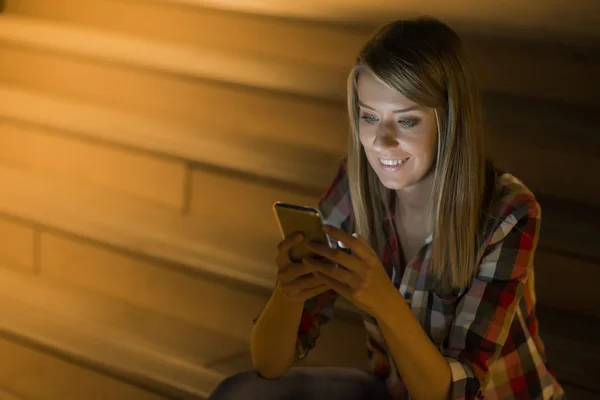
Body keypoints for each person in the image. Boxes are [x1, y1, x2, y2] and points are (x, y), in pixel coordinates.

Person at [208, 17, 565, 400]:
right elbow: (268, 363)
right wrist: (289, 292)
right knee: (241, 392)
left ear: (450, 122)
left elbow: (450, 394)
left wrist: (383, 301)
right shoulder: (357, 186)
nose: (381, 142)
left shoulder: (508, 213)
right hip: (394, 391)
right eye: (370, 116)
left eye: (407, 120)